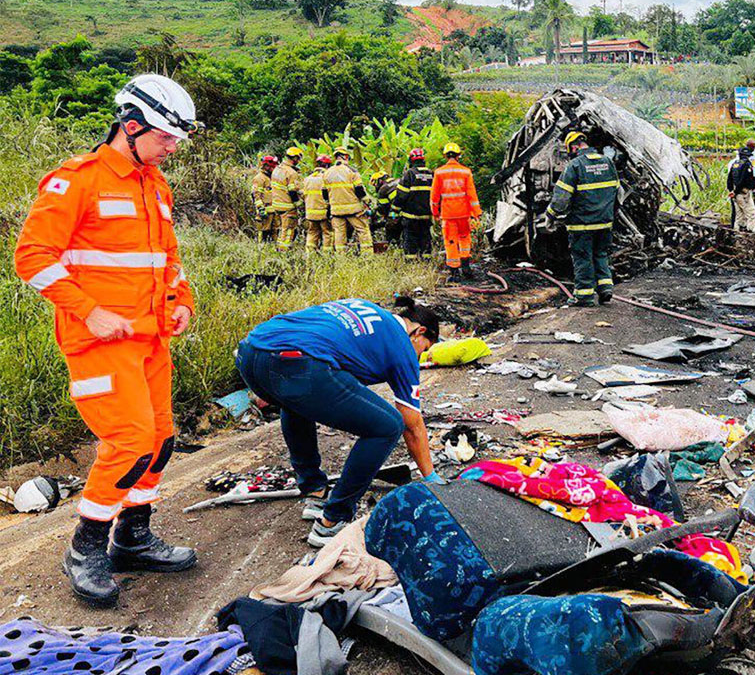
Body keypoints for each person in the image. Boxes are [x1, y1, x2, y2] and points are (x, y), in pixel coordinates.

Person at [13, 74, 200, 606]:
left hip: (150, 339)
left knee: (160, 438)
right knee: (130, 442)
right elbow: (32, 257)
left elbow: (167, 258)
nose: (171, 148)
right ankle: (84, 548)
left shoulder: (155, 185)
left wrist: (181, 299)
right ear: (132, 125)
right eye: (165, 138)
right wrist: (89, 312)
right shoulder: (78, 180)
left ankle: (133, 539)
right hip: (99, 342)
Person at [235, 297, 440, 547]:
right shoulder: (403, 347)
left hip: (251, 351)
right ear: (419, 332)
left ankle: (314, 492)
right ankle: (333, 521)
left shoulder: (363, 306)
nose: (419, 355)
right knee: (388, 426)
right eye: (424, 348)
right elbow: (412, 424)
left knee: (296, 400)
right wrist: (430, 477)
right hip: (296, 362)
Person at [548, 131, 619, 307]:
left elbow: (561, 198)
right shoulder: (607, 162)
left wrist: (551, 215)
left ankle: (584, 296)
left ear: (574, 147)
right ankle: (605, 289)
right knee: (601, 254)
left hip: (582, 224)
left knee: (583, 258)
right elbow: (618, 193)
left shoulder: (574, 166)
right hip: (605, 222)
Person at [429, 142, 481, 277]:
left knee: (450, 241)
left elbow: (434, 196)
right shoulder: (466, 172)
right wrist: (476, 213)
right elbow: (472, 194)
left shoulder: (439, 172)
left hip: (448, 214)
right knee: (464, 238)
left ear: (446, 155)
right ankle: (466, 266)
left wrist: (435, 213)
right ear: (458, 155)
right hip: (464, 213)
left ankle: (454, 271)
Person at [324, 147, 372, 255]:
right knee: (363, 230)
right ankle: (367, 256)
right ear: (346, 157)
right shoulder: (351, 171)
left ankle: (341, 257)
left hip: (336, 210)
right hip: (353, 209)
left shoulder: (327, 173)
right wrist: (367, 201)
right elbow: (359, 190)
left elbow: (324, 193)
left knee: (339, 234)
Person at [393, 148, 434, 262]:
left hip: (411, 216)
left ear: (411, 160)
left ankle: (411, 263)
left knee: (410, 239)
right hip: (427, 215)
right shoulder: (431, 174)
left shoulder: (409, 174)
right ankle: (426, 261)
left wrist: (394, 210)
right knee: (425, 238)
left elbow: (401, 195)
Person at [271, 147, 304, 250]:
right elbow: (292, 191)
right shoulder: (291, 173)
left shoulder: (277, 169)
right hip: (287, 206)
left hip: (276, 205)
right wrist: (300, 204)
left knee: (282, 230)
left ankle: (278, 248)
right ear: (294, 158)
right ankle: (284, 252)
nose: (298, 161)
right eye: (297, 158)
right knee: (288, 230)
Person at [301, 154, 333, 254]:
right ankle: (327, 255)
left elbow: (303, 195)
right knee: (328, 233)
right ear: (327, 166)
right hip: (323, 212)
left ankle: (309, 254)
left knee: (312, 233)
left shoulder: (307, 179)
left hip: (310, 213)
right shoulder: (326, 178)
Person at [726, 146, 755, 232]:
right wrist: (736, 191)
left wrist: (731, 191)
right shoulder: (746, 165)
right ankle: (751, 233)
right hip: (744, 193)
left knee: (739, 216)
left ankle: (736, 233)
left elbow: (729, 179)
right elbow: (744, 180)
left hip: (736, 194)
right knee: (751, 214)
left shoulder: (735, 164)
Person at [251, 155, 278, 244]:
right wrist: (261, 209)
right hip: (265, 211)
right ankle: (261, 251)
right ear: (266, 166)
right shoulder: (259, 178)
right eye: (272, 167)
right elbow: (256, 195)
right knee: (263, 233)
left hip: (274, 211)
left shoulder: (272, 178)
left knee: (275, 233)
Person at [368, 170, 396, 244]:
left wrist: (374, 216)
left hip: (396, 214)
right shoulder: (398, 180)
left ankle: (393, 247)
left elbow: (383, 209)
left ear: (379, 180)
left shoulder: (383, 189)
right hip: (411, 210)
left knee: (391, 228)